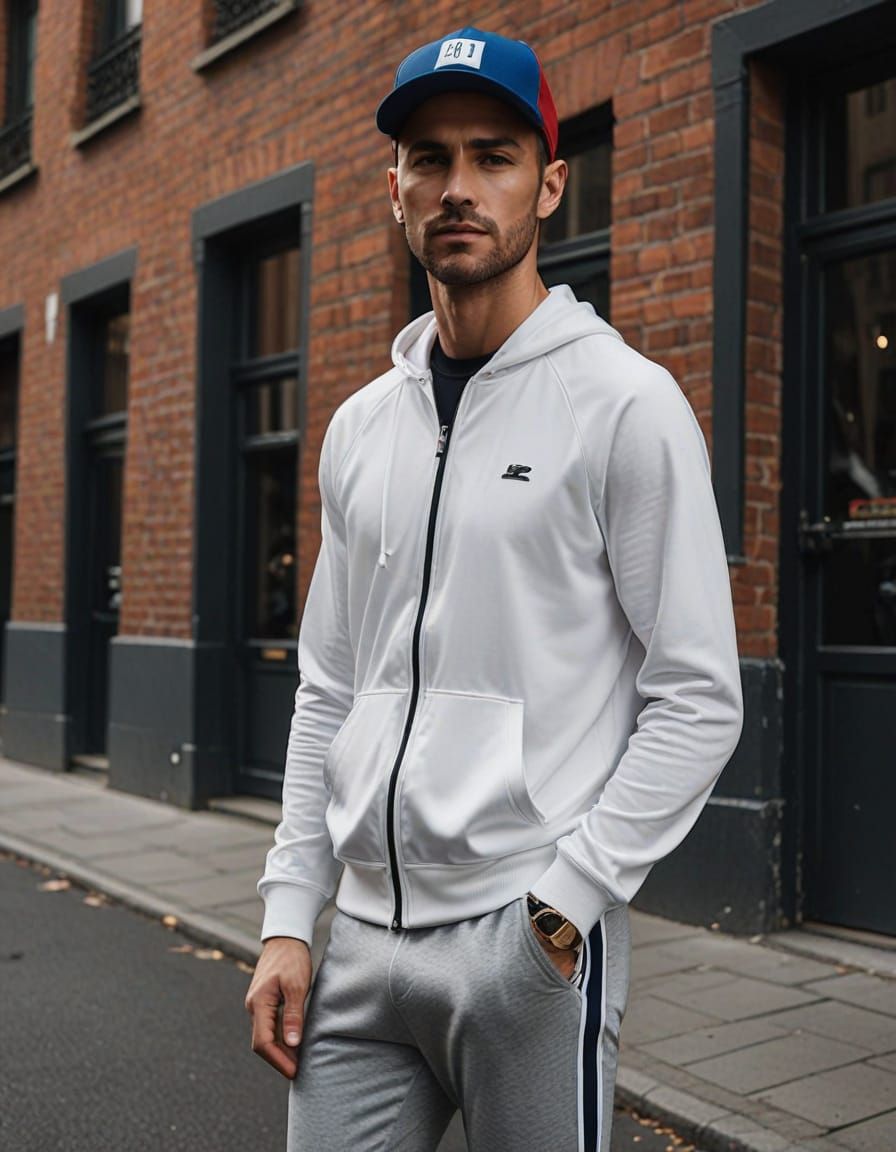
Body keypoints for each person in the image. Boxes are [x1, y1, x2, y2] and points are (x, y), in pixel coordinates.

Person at [246, 26, 743, 1152]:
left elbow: (697, 694)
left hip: (523, 936)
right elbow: (327, 686)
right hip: (360, 946)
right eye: (429, 158)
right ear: (393, 189)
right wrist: (289, 919)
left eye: (492, 155)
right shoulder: (361, 426)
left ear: (550, 183)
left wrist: (569, 898)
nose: (456, 187)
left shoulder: (623, 404)